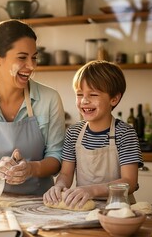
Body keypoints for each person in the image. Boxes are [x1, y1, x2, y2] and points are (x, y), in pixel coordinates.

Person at [0, 19, 66, 195]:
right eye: (22, 58)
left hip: (41, 202)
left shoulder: (49, 99)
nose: (31, 66)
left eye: (34, 58)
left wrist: (32, 168)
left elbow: (57, 157)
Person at [43, 60, 143, 208]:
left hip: (118, 210)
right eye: (79, 94)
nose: (84, 100)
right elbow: (65, 174)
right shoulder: (73, 132)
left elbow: (130, 182)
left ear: (114, 99)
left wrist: (91, 190)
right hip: (83, 208)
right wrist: (59, 186)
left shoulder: (125, 133)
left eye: (93, 94)